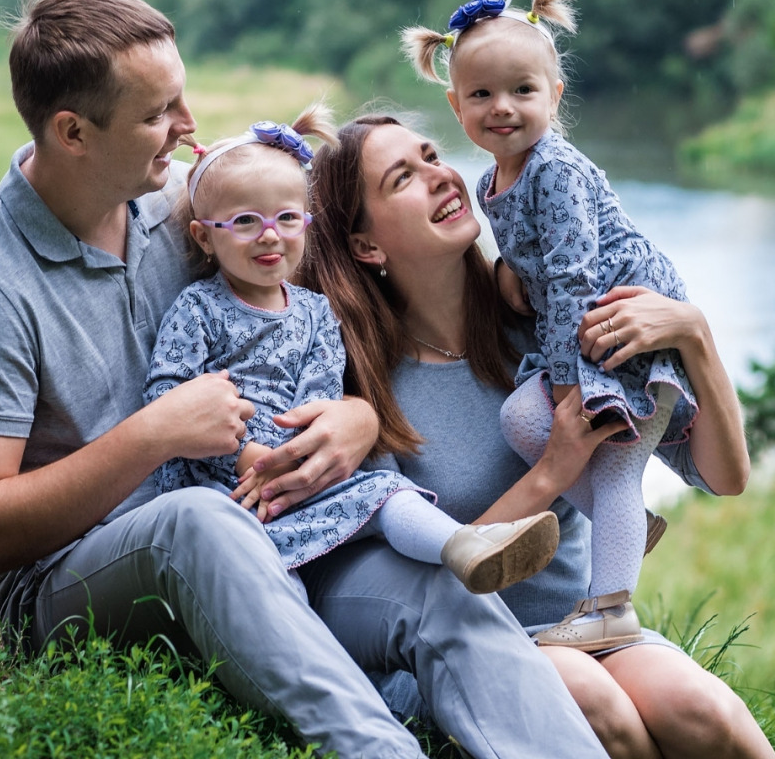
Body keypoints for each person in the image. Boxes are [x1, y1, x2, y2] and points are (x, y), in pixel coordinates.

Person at [0, 0, 609, 759]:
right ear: (72, 131)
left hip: (265, 533)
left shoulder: (182, 204)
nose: (187, 130)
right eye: (157, 114)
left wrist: (358, 417)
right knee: (197, 525)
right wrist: (155, 434)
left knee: (438, 589)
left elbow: (307, 288)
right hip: (79, 580)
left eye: (180, 98)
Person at [294, 114, 775, 759]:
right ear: (367, 248)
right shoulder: (363, 390)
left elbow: (725, 477)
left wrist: (693, 333)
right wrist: (551, 470)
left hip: (592, 623)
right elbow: (423, 580)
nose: (440, 176)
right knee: (603, 711)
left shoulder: (545, 325)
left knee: (706, 712)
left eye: (432, 154)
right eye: (402, 178)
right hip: (477, 641)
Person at [143, 103, 559, 590]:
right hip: (229, 483)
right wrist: (251, 455)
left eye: (286, 218)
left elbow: (321, 398)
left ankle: (462, 544)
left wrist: (675, 326)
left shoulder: (534, 301)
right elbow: (169, 399)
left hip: (301, 472)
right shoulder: (201, 309)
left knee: (390, 494)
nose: (270, 234)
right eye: (245, 222)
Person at [400, 0, 696, 651]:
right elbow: (536, 263)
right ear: (455, 106)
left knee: (608, 453)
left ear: (554, 95)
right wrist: (509, 274)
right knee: (522, 419)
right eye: (480, 94)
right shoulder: (491, 178)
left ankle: (611, 607)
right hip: (586, 335)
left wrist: (569, 385)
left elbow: (569, 277)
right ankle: (628, 523)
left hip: (623, 326)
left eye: (521, 91)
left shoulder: (553, 168)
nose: (501, 107)